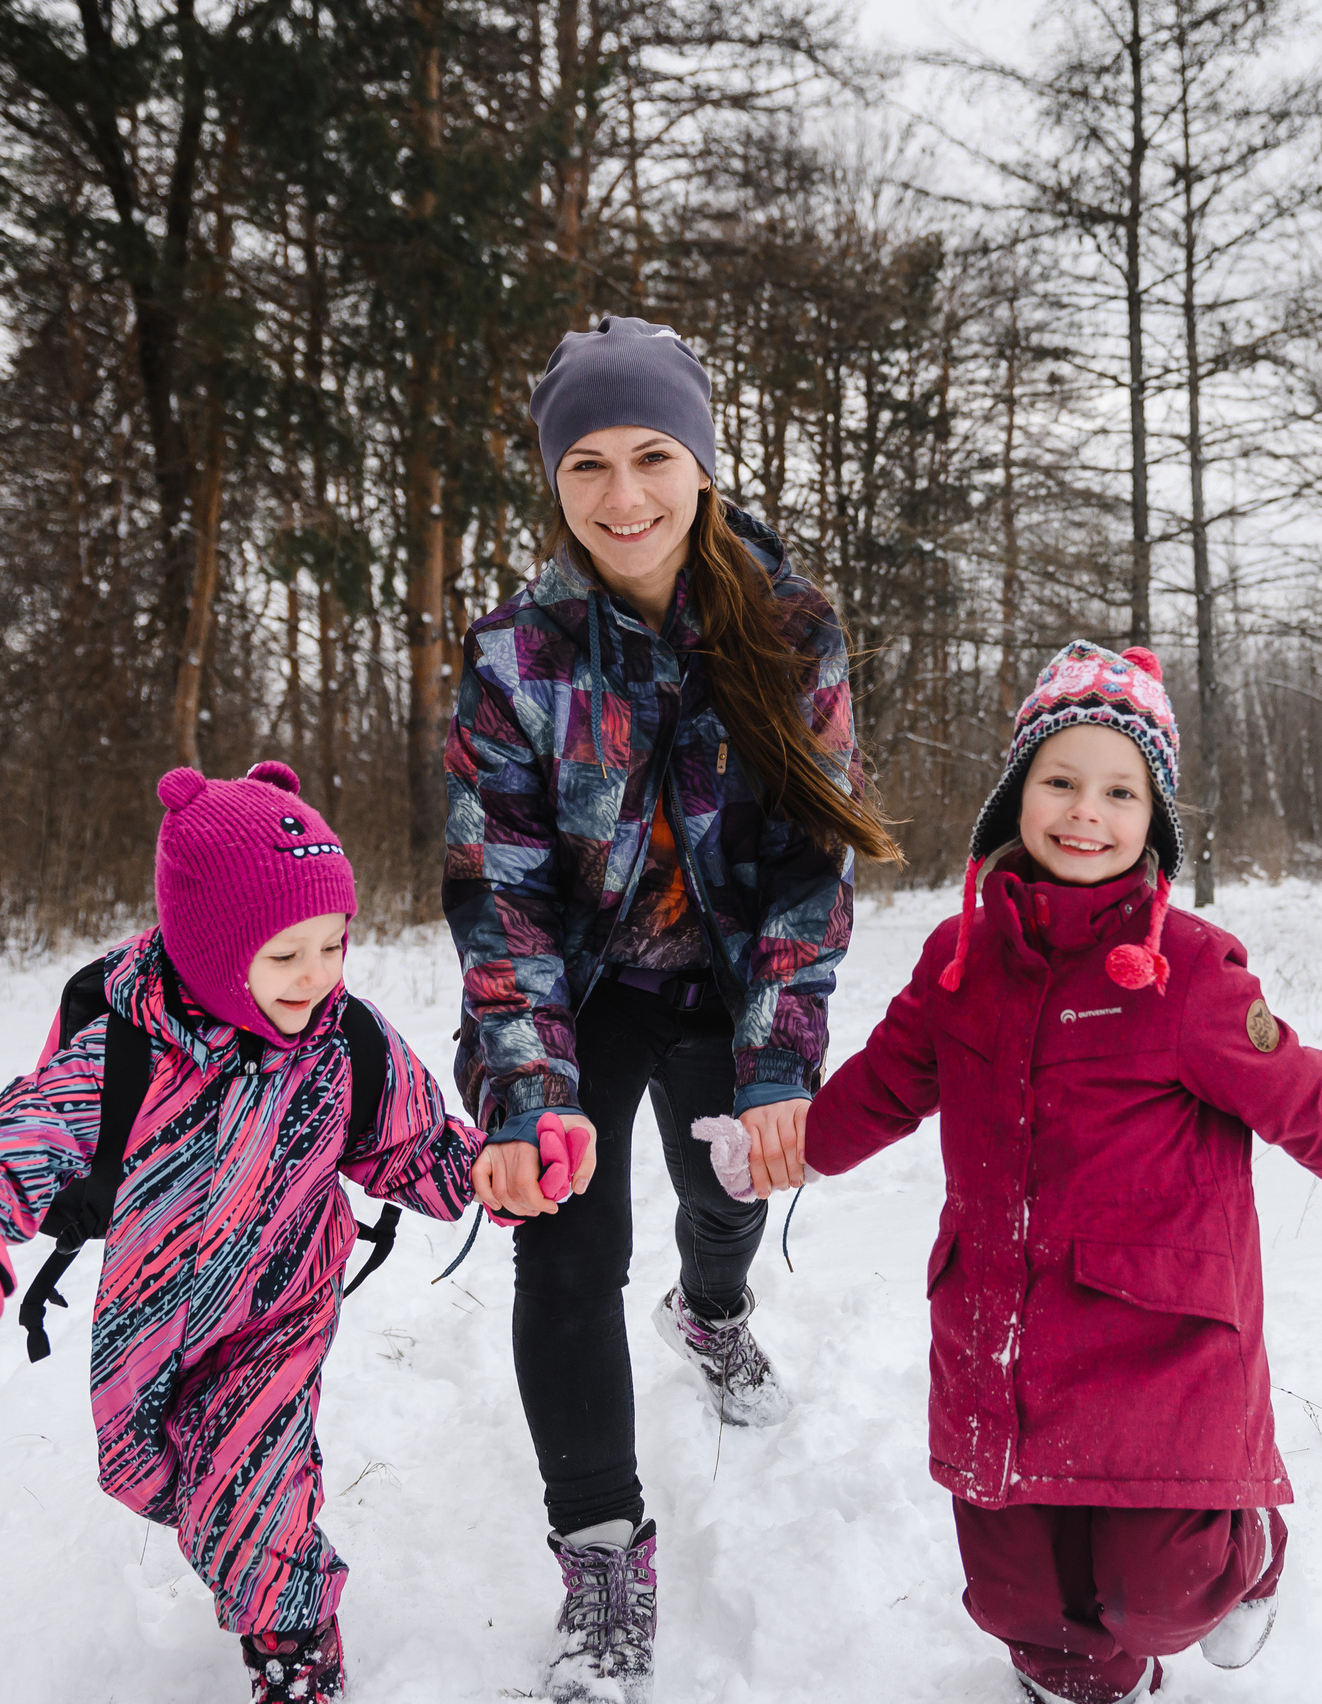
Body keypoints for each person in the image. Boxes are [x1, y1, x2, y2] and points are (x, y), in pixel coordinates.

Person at [794, 641, 1322, 1704]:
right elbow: (884, 1081)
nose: (1084, 813)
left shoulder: (1186, 972)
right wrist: (785, 1146)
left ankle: (1246, 1557)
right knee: (1019, 1603)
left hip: (1160, 1344)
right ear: (1016, 795)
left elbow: (1304, 1095)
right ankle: (1085, 1683)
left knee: (1162, 1594)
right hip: (998, 1333)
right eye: (1059, 781)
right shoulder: (958, 962)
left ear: (1156, 821)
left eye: (1120, 792)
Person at [443, 316, 901, 1702]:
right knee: (568, 1250)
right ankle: (599, 1549)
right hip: (581, 993)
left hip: (727, 982)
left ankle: (712, 1309)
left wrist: (779, 1064)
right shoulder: (516, 656)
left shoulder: (788, 630)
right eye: (587, 464)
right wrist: (524, 1092)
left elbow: (807, 864)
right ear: (554, 479)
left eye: (653, 456)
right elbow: (498, 885)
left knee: (732, 1198)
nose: (623, 496)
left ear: (703, 463)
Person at [0, 763, 484, 1704]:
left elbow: (416, 1146)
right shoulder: (126, 1053)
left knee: (255, 1484)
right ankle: (252, 1562)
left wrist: (490, 1172)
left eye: (333, 945)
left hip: (281, 1310)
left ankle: (297, 1656)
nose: (316, 978)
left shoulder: (346, 1044)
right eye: (285, 957)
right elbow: (24, 1133)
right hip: (151, 1326)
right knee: (155, 1475)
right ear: (208, 946)